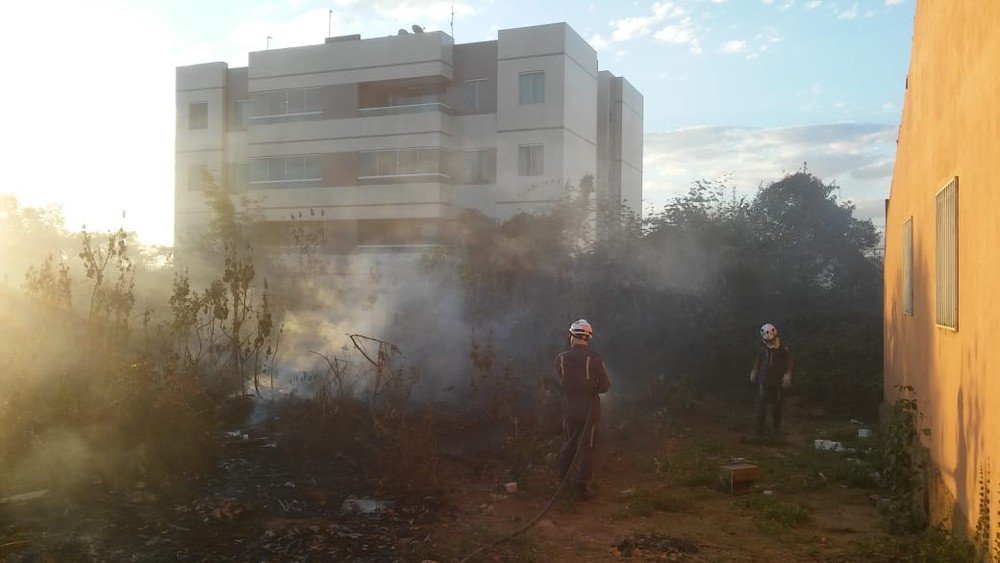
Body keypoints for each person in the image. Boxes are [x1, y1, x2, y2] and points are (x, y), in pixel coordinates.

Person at [554, 319, 611, 497]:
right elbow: (606, 385)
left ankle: (562, 482)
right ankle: (581, 487)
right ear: (588, 337)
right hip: (589, 412)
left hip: (570, 410)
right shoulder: (595, 358)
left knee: (570, 443)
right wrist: (593, 388)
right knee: (587, 448)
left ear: (571, 336)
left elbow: (561, 384)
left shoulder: (561, 359)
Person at [749, 323, 794, 435]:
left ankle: (776, 428)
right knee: (761, 401)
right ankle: (760, 428)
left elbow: (789, 359)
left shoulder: (782, 346)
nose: (768, 342)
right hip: (764, 377)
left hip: (777, 377)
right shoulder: (763, 346)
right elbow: (759, 357)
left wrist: (788, 373)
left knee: (776, 402)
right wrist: (755, 369)